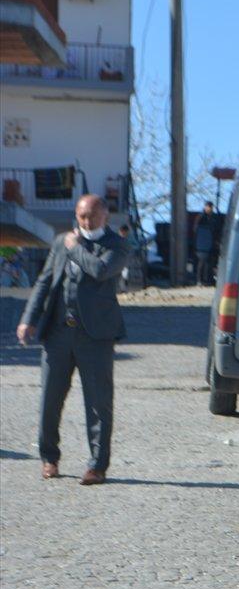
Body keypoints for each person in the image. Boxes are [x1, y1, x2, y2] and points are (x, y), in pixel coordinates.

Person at [16, 194, 130, 485]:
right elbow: (44, 282)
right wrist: (28, 319)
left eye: (92, 216)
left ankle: (97, 466)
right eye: (82, 216)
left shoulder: (117, 245)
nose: (87, 222)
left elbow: (100, 270)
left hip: (96, 336)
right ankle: (49, 458)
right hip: (58, 333)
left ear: (105, 216)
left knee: (99, 403)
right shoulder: (61, 242)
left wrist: (75, 247)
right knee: (50, 399)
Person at [193, 201, 220, 285]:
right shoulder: (201, 217)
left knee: (211, 262)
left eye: (210, 207)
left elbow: (217, 229)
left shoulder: (215, 217)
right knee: (202, 261)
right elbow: (196, 229)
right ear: (205, 207)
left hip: (212, 242)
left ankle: (209, 280)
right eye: (208, 207)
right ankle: (199, 280)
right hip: (202, 243)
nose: (209, 209)